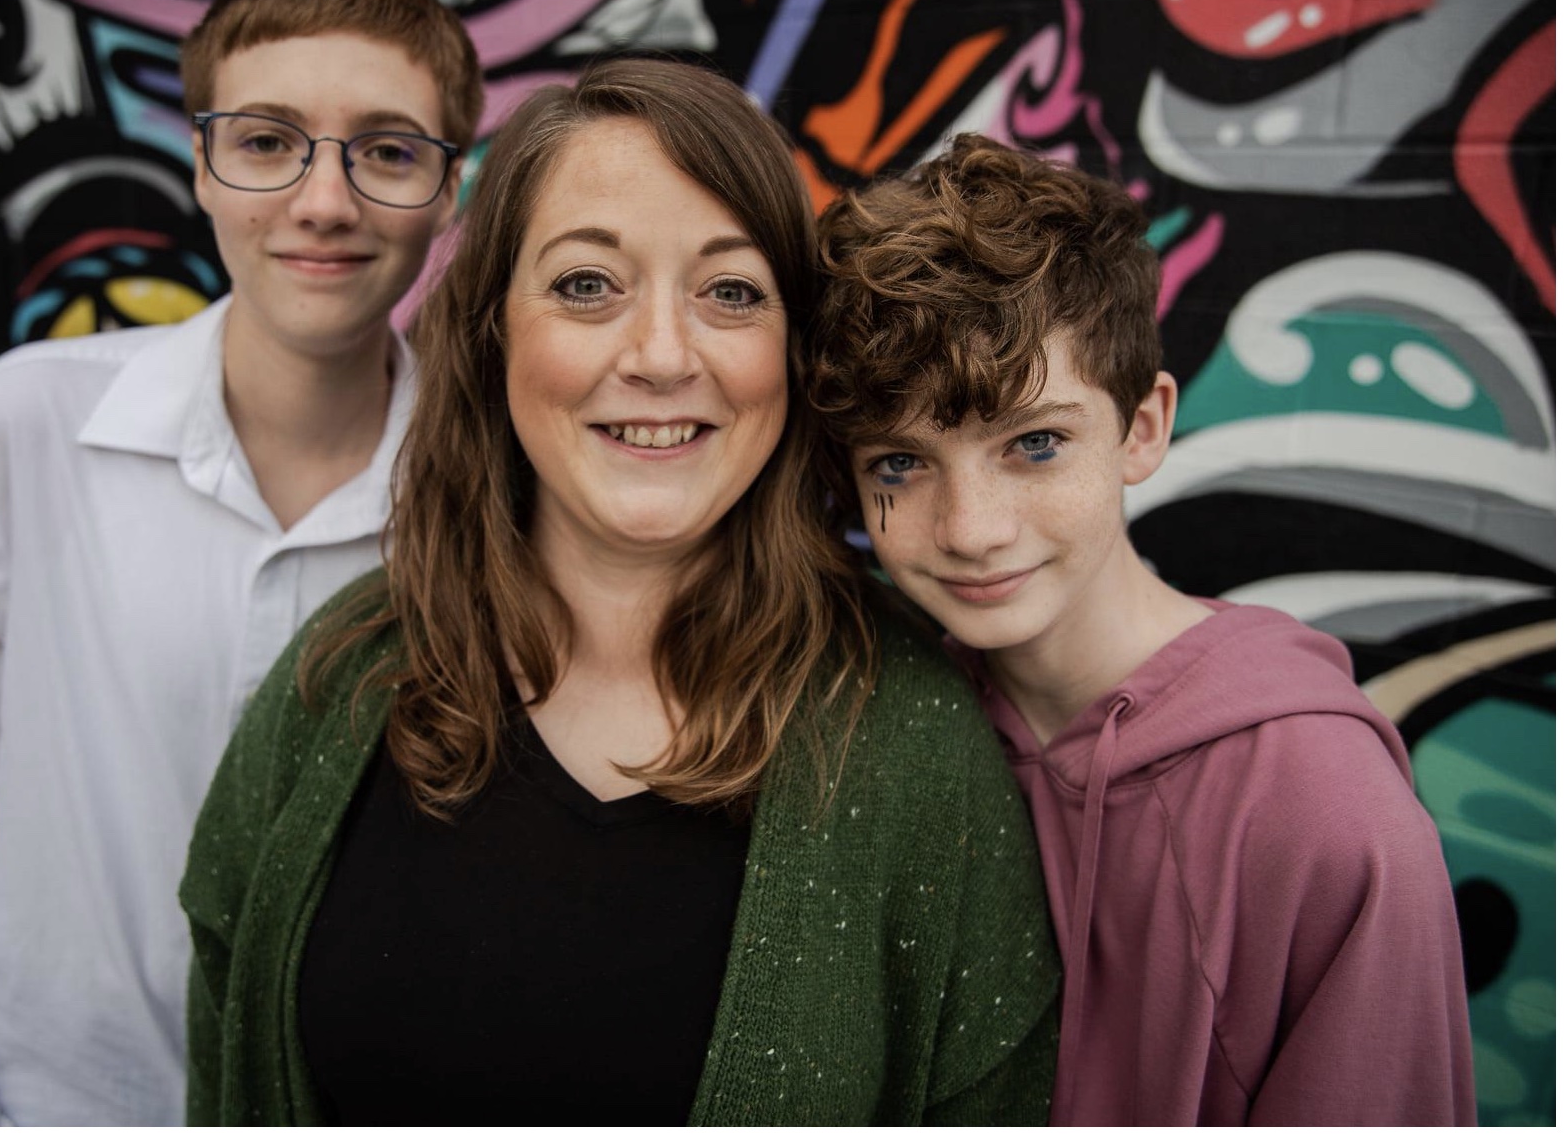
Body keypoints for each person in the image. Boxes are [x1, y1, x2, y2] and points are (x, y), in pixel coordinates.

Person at [180, 59, 1061, 1125]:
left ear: (794, 350)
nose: (657, 355)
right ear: (494, 323)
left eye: (730, 291)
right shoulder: (339, 675)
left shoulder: (916, 741)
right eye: (586, 283)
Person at [0, 0, 482, 1125]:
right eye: (266, 139)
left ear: (446, 190)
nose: (323, 201)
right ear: (199, 163)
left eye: (386, 150)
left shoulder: (493, 484)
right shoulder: (25, 429)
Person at [807, 133, 1477, 1125]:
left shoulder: (1323, 815)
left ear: (1142, 427)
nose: (972, 530)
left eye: (1033, 444)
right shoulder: (885, 736)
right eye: (899, 463)